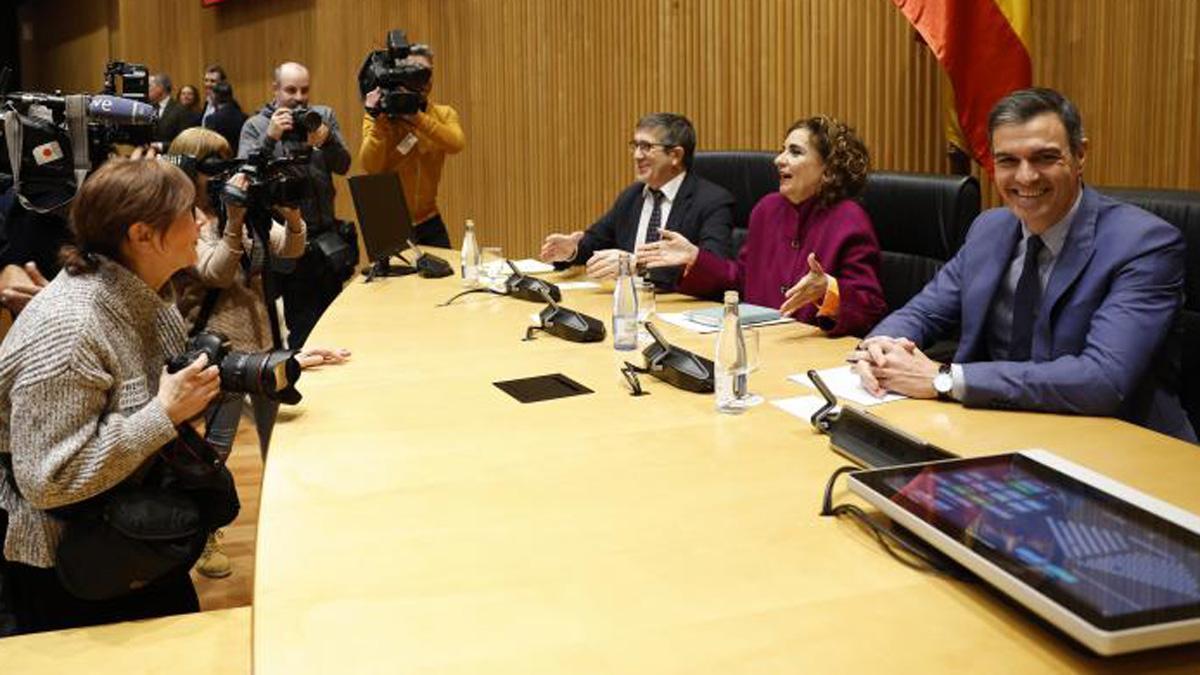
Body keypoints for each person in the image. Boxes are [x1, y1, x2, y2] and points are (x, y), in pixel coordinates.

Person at [853, 88, 1195, 442]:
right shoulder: (990, 228)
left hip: (1120, 449)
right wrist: (881, 348)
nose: (1026, 177)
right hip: (996, 433)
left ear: (1080, 156)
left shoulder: (1146, 244)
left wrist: (945, 379)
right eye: (1008, 161)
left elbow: (1103, 379)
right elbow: (924, 311)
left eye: (1045, 158)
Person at [0, 158, 221, 633]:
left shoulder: (141, 291)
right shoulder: (72, 330)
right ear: (143, 234)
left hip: (126, 531)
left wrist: (277, 365)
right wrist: (162, 414)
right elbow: (47, 480)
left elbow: (169, 381)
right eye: (188, 211)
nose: (201, 221)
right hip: (70, 567)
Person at [638, 115, 886, 337]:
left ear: (828, 168)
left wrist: (828, 291)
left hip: (810, 354)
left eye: (795, 152)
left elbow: (871, 308)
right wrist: (695, 258)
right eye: (782, 150)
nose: (779, 160)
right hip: (757, 343)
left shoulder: (849, 219)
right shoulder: (767, 209)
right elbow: (741, 280)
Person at [538, 113, 735, 289]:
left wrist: (638, 266)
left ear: (675, 155)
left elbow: (714, 268)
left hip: (679, 310)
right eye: (635, 146)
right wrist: (572, 250)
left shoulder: (712, 201)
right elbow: (597, 241)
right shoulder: (632, 196)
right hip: (629, 304)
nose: (637, 155)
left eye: (647, 147)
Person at [239, 61, 352, 349]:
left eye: (304, 90)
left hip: (326, 239)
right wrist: (270, 138)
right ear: (275, 89)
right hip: (286, 241)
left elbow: (344, 165)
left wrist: (327, 141)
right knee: (303, 329)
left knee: (335, 323)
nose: (300, 97)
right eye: (291, 90)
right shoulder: (256, 126)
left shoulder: (321, 117)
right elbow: (245, 180)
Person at [360, 42, 465, 248]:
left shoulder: (443, 114)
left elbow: (456, 143)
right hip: (391, 224)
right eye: (415, 73)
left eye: (427, 73)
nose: (423, 80)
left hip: (430, 219)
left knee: (445, 279)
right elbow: (370, 166)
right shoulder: (381, 117)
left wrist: (416, 118)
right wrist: (379, 121)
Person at [204, 81, 247, 156]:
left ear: (215, 96)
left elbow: (210, 147)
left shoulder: (211, 119)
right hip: (239, 159)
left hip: (221, 161)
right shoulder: (244, 117)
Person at [149, 73, 190, 148]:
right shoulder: (149, 108)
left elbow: (184, 141)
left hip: (170, 156)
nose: (147, 90)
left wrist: (160, 146)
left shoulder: (180, 110)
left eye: (150, 86)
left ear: (160, 88)